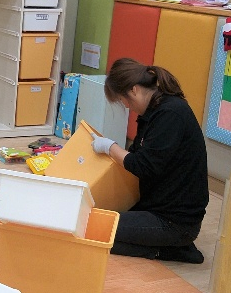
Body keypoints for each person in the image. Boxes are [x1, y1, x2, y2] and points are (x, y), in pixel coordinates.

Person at [90, 58, 209, 264]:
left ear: (134, 89)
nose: (126, 106)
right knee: (97, 223)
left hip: (174, 221)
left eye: (123, 99)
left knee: (94, 230)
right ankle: (170, 244)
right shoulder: (153, 112)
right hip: (156, 206)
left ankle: (172, 250)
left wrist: (110, 147)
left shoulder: (170, 114)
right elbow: (136, 155)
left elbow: (142, 165)